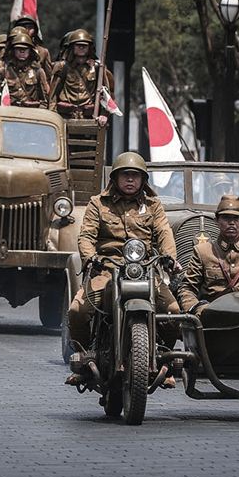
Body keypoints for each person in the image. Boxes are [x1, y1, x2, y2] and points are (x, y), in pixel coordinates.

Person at [66, 152, 179, 385]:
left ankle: (163, 361)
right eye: (125, 175)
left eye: (135, 176)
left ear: (143, 180)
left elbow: (165, 233)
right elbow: (86, 235)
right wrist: (90, 257)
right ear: (115, 178)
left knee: (174, 311)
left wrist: (169, 258)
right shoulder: (98, 203)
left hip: (145, 271)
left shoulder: (153, 206)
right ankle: (85, 359)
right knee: (77, 311)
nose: (130, 180)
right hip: (107, 269)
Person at [49, 29, 113, 125]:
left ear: (89, 48)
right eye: (78, 45)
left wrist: (104, 114)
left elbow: (106, 95)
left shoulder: (97, 67)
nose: (82, 48)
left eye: (85, 45)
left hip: (89, 118)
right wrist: (52, 115)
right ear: (72, 47)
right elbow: (52, 96)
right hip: (65, 117)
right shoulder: (62, 67)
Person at [0, 32, 50, 108]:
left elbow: (44, 100)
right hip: (9, 112)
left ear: (30, 51)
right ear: (13, 51)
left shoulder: (38, 72)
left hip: (30, 113)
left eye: (25, 49)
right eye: (19, 49)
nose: (22, 51)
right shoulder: (4, 72)